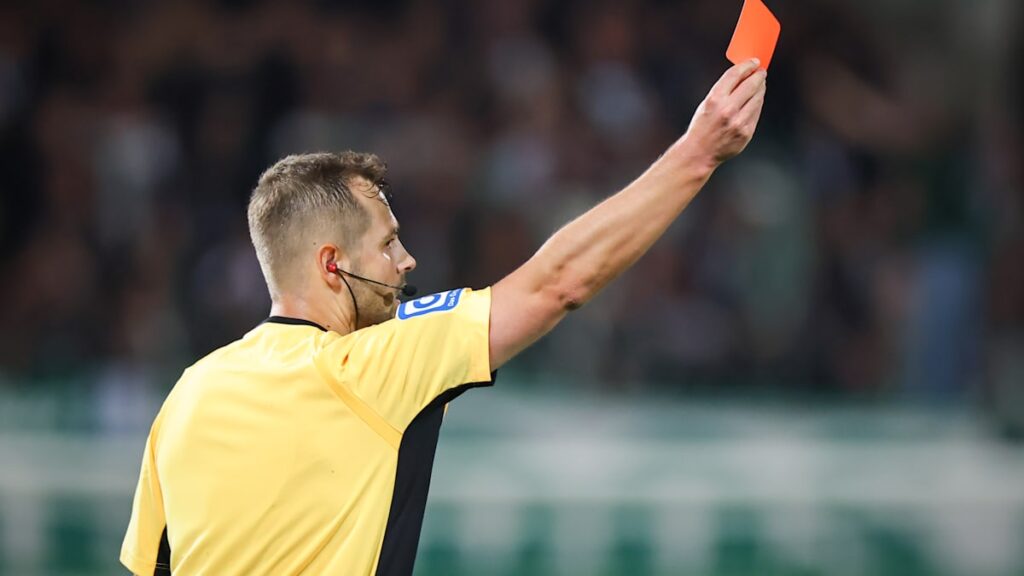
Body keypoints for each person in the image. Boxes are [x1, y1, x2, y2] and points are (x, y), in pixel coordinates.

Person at [120, 59, 767, 576]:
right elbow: (558, 283)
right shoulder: (367, 371)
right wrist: (698, 154)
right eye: (387, 243)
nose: (407, 260)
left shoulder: (187, 396)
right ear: (331, 265)